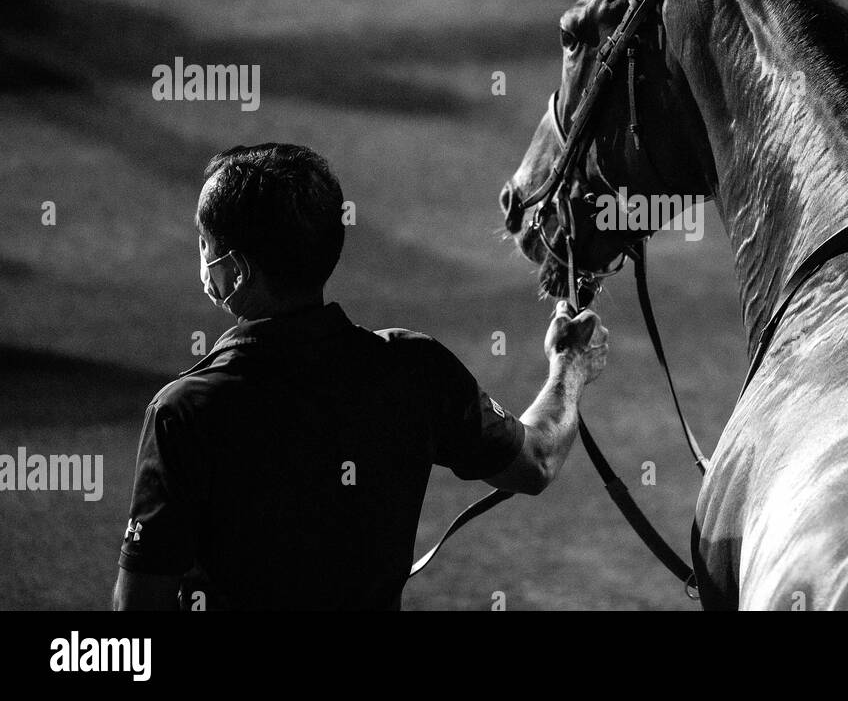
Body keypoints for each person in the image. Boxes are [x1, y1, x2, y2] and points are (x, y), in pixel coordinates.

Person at [112, 143, 607, 610]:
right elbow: (537, 460)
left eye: (205, 245)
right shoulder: (416, 369)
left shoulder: (184, 411)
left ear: (237, 270)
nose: (201, 258)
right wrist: (569, 367)